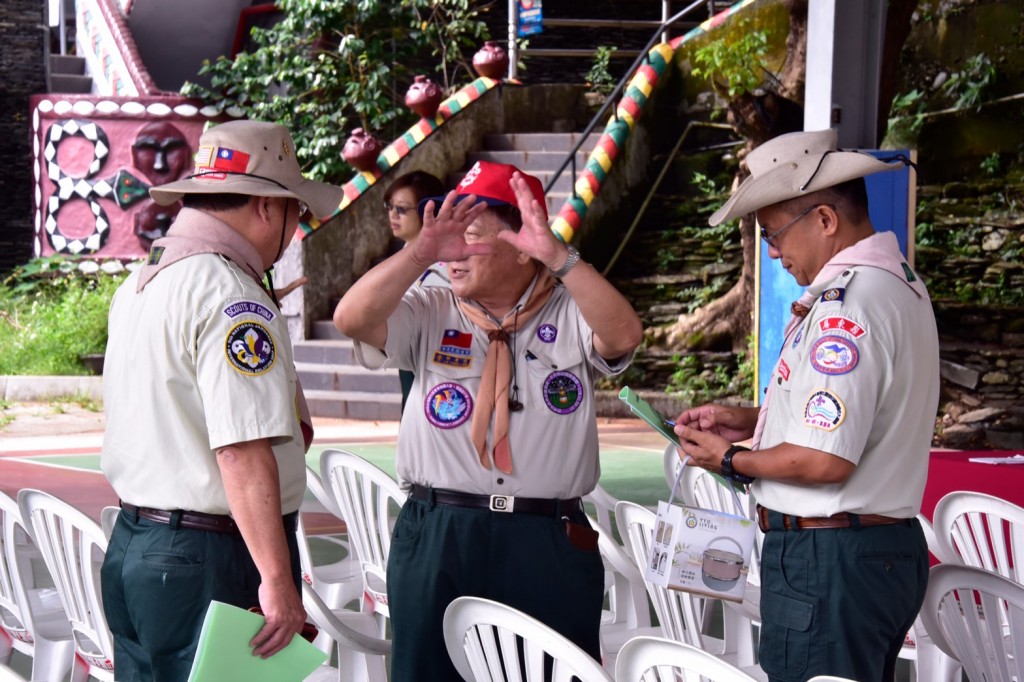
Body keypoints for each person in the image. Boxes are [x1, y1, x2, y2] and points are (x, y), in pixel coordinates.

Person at [333, 160, 643, 681]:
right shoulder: (430, 307)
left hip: (546, 536)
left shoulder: (569, 310)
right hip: (439, 530)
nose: (454, 253)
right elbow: (352, 318)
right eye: (447, 238)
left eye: (469, 236)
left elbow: (623, 335)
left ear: (524, 243)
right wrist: (419, 253)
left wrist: (561, 259)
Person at [673, 129, 939, 682]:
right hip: (870, 551)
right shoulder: (897, 284)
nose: (772, 252)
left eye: (774, 234)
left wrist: (729, 458)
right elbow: (860, 412)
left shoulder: (849, 304)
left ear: (824, 219)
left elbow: (825, 461)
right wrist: (746, 419)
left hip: (828, 558)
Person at [100, 119, 344, 682]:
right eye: (296, 212)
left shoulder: (143, 281)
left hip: (137, 545)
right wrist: (279, 582)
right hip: (211, 555)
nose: (295, 227)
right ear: (266, 207)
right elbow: (241, 450)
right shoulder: (231, 294)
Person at [381, 170, 447, 411]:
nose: (392, 215)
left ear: (427, 211)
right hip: (408, 363)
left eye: (401, 209)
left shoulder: (447, 266)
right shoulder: (399, 259)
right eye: (389, 206)